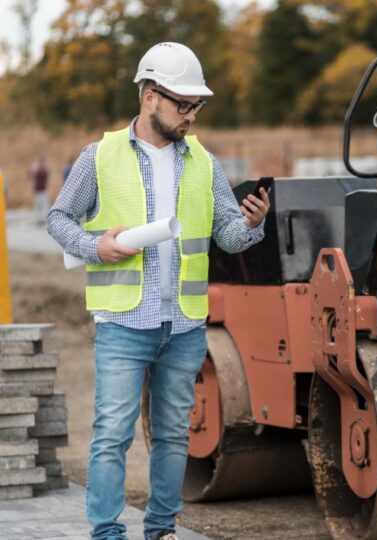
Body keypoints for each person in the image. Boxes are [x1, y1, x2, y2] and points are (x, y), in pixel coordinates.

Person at [47, 42, 271, 540]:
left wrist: (253, 224)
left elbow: (226, 235)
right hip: (123, 323)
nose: (191, 114)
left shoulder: (205, 163)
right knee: (112, 436)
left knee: (172, 435)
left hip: (185, 324)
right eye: (182, 104)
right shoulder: (98, 157)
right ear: (149, 96)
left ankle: (161, 529)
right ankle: (106, 533)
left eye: (197, 106)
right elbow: (57, 218)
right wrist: (92, 246)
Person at [28, 155, 49, 224]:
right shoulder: (39, 170)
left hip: (41, 190)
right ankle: (39, 219)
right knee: (40, 206)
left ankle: (40, 219)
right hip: (39, 190)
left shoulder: (38, 170)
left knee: (41, 206)